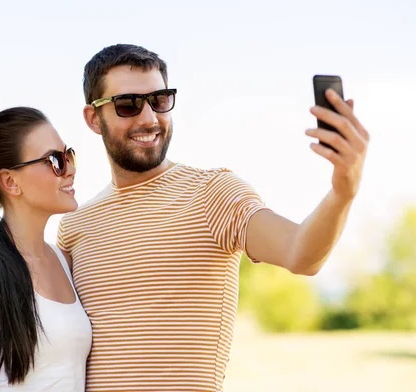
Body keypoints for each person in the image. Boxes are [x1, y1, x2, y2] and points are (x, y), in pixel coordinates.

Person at [57, 44, 369, 391]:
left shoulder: (213, 193)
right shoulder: (74, 226)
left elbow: (301, 254)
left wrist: (343, 192)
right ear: (92, 118)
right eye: (128, 105)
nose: (148, 118)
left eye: (159, 100)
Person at [0, 107, 91, 391]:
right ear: (10, 182)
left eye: (68, 155)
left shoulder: (66, 260)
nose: (70, 169)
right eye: (55, 160)